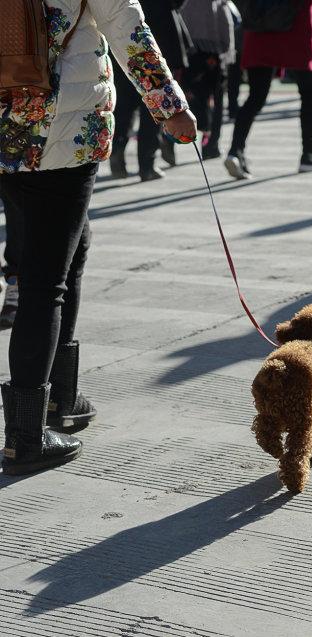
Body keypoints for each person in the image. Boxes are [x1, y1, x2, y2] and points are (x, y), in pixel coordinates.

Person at [0, 0, 196, 476]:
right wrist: (171, 108)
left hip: (7, 124)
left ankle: (59, 399)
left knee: (71, 250)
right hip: (64, 131)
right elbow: (130, 32)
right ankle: (26, 435)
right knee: (46, 279)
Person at [225, 0, 312, 179]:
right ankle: (308, 155)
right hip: (297, 28)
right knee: (309, 93)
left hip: (260, 27)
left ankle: (235, 152)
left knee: (255, 96)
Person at [110, 0, 191, 179]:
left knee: (125, 106)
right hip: (153, 38)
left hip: (121, 42)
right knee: (151, 111)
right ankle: (147, 165)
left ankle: (117, 152)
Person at [180, 0, 236, 160]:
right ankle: (210, 145)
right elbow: (226, 21)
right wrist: (227, 48)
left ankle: (168, 141)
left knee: (182, 94)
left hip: (186, 52)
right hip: (212, 54)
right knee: (215, 98)